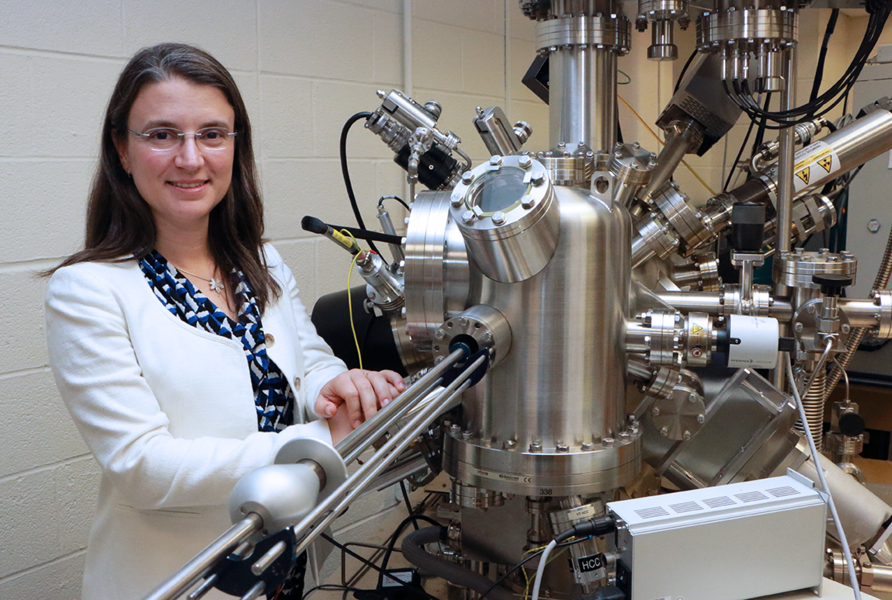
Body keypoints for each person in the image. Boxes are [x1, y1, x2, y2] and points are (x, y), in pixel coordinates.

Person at [44, 43, 404, 600]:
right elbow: (142, 467)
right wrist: (318, 439)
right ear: (122, 149)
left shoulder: (260, 261)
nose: (191, 158)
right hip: (181, 579)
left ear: (236, 146)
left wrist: (340, 388)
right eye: (162, 135)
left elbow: (308, 363)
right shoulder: (88, 289)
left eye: (212, 134)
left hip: (286, 561)